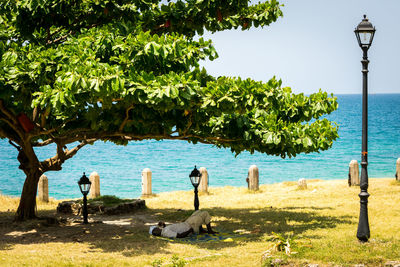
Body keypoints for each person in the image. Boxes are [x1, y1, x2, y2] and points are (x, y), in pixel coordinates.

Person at [149, 210, 218, 238]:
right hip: (191, 226)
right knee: (205, 213)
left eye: (156, 228)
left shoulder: (164, 230)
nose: (157, 228)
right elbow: (179, 235)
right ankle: (210, 231)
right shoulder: (166, 233)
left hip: (187, 223)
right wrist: (190, 230)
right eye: (155, 230)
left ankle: (201, 229)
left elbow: (165, 227)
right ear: (155, 233)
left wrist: (163, 224)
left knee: (198, 211)